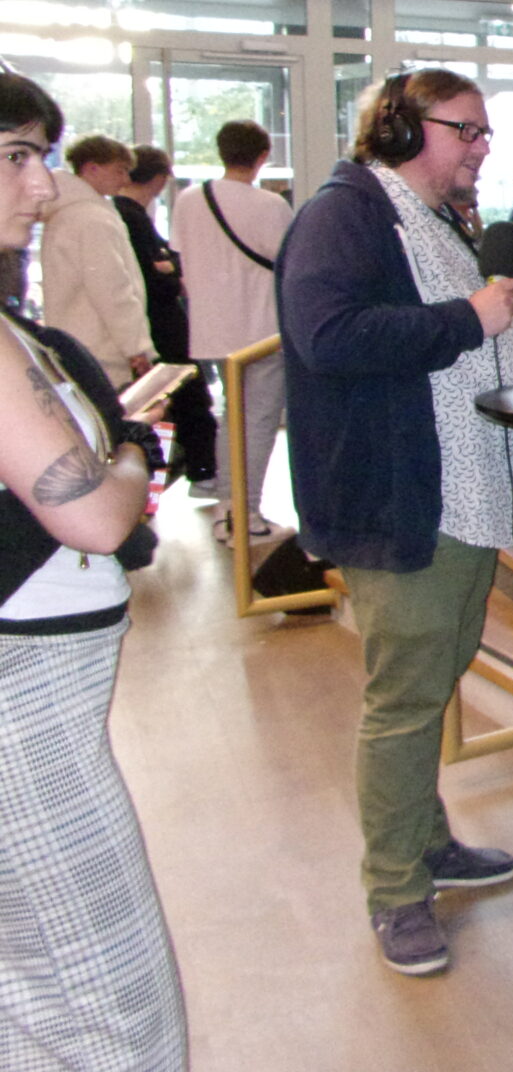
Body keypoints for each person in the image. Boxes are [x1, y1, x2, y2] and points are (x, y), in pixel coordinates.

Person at [275, 69, 513, 976]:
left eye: (485, 131)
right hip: (403, 500)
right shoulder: (344, 215)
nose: (483, 146)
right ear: (401, 129)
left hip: (461, 495)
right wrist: (468, 319)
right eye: (466, 129)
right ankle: (395, 892)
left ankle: (426, 843)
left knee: (433, 679)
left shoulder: (435, 218)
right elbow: (329, 337)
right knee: (404, 701)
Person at [0, 73, 186, 1068]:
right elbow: (96, 514)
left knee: (38, 997)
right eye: (16, 159)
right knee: (111, 1007)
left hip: (45, 708)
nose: (42, 187)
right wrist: (130, 450)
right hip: (23, 722)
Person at [169, 121, 290, 534]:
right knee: (259, 422)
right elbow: (288, 261)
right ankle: (245, 514)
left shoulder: (190, 199)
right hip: (263, 330)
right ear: (262, 156)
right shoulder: (271, 206)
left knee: (231, 418)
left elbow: (182, 256)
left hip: (213, 329)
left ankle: (227, 506)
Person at [113, 147, 216, 489]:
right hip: (160, 325)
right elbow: (156, 274)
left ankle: (189, 473)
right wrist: (171, 273)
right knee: (187, 397)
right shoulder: (130, 217)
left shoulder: (127, 214)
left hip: (154, 323)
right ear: (158, 179)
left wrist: (168, 267)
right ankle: (201, 473)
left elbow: (166, 263)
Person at [39, 133, 152, 388]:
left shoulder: (67, 213)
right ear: (92, 168)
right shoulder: (92, 219)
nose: (125, 180)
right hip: (100, 350)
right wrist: (135, 346)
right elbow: (112, 289)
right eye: (120, 170)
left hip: (75, 342)